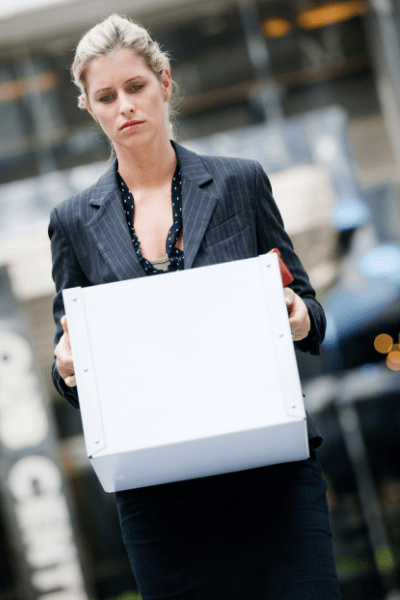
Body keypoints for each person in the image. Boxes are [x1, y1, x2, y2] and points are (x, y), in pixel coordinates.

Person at [49, 14, 342, 600]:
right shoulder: (73, 223)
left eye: (135, 87)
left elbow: (310, 316)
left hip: (272, 479)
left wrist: (298, 314)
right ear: (88, 106)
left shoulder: (240, 183)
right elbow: (75, 366)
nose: (125, 105)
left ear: (164, 82)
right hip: (159, 501)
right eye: (106, 96)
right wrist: (66, 367)